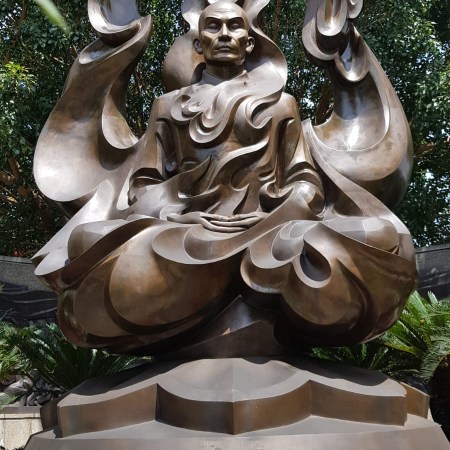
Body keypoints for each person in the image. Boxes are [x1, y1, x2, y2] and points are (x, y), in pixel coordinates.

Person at [32, 0, 416, 355]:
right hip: (187, 231)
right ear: (199, 43)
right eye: (214, 27)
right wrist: (183, 210)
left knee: (379, 236)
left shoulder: (282, 106)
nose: (225, 35)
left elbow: (305, 184)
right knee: (86, 241)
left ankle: (225, 284)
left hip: (270, 232)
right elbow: (143, 189)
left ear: (249, 43)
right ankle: (244, 281)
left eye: (235, 27)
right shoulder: (168, 107)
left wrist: (272, 217)